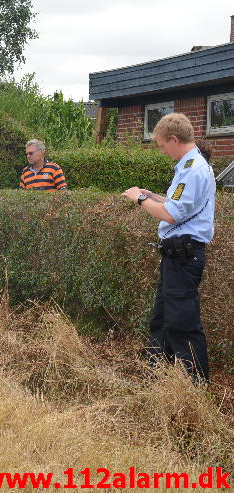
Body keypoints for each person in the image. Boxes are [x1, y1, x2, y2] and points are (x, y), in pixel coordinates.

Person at [121, 113, 216, 383]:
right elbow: (180, 206)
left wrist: (139, 199)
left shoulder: (193, 169)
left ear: (174, 139)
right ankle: (156, 378)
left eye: (163, 145)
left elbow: (171, 215)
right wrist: (153, 196)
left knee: (182, 324)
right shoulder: (190, 167)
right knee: (162, 320)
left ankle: (195, 390)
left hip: (183, 256)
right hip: (176, 256)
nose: (163, 151)